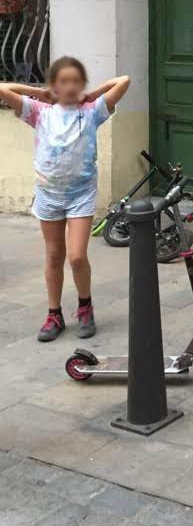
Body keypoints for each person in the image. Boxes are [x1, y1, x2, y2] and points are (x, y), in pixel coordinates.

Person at [0, 57, 130, 342]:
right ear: (53, 86)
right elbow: (2, 88)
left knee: (77, 255)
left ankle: (85, 307)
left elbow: (124, 81)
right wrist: (37, 92)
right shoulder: (39, 111)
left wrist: (93, 94)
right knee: (54, 255)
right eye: (63, 82)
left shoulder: (92, 111)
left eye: (75, 81)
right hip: (49, 195)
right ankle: (54, 314)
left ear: (81, 85)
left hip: (81, 194)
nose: (69, 86)